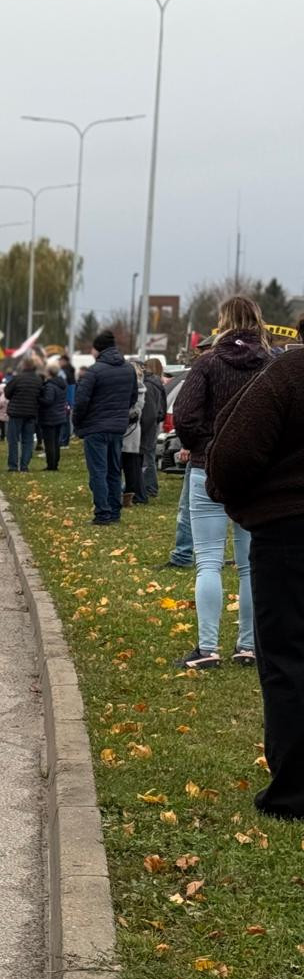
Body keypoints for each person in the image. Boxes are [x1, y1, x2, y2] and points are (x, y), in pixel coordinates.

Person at [205, 342, 304, 819]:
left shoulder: (290, 372)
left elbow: (233, 452)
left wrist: (233, 497)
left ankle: (294, 789)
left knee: (287, 656)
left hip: (290, 530)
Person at [171, 296, 266, 669]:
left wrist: (206, 447)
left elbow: (184, 416)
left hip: (207, 469)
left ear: (223, 322)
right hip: (255, 473)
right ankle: (248, 645)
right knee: (248, 564)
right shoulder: (270, 365)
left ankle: (207, 648)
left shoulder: (207, 363)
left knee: (208, 560)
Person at [71, 330, 137, 525]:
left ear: (98, 349)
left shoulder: (94, 371)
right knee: (114, 471)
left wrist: (78, 423)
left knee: (98, 471)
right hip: (117, 428)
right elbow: (132, 398)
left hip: (96, 428)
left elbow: (81, 401)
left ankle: (102, 513)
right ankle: (115, 512)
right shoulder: (128, 369)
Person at [3, 353, 43, 472]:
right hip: (31, 413)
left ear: (24, 365)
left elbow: (7, 393)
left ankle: (13, 466)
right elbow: (40, 395)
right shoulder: (38, 379)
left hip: (16, 413)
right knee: (28, 441)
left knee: (13, 440)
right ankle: (24, 466)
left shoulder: (17, 378)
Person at [137, 362, 168, 502]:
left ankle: (149, 488)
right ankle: (148, 486)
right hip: (152, 424)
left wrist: (141, 428)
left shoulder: (148, 385)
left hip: (147, 427)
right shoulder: (155, 383)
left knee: (147, 458)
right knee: (148, 457)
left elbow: (148, 413)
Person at [120, 361, 148, 506]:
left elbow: (134, 411)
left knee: (124, 465)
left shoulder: (135, 388)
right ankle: (128, 495)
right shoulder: (141, 387)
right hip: (133, 432)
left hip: (127, 430)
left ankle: (126, 495)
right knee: (130, 466)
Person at [37, 360, 68, 471]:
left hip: (50, 417)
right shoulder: (62, 384)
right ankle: (55, 464)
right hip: (59, 415)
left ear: (49, 372)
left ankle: (51, 465)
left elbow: (48, 401)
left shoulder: (50, 385)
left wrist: (38, 398)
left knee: (49, 442)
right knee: (56, 442)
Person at [58, 354, 77, 446]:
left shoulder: (65, 371)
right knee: (66, 420)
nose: (59, 363)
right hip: (69, 399)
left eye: (60, 361)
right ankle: (65, 440)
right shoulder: (70, 370)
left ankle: (63, 440)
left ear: (64, 361)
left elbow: (65, 386)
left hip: (66, 399)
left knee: (64, 420)